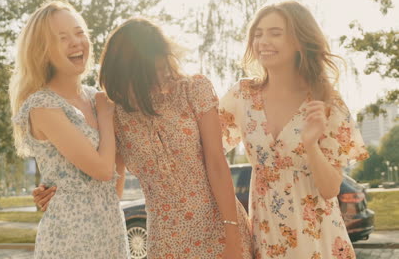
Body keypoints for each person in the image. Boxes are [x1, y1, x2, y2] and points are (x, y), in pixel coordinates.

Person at [35, 17, 252, 258]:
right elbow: (109, 183)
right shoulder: (114, 114)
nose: (163, 76)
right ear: (128, 72)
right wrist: (57, 191)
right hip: (166, 241)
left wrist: (231, 234)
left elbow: (217, 162)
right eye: (153, 70)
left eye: (164, 65)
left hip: (220, 229)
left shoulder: (193, 89)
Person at [219, 0, 369, 259]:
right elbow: (205, 148)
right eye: (258, 34)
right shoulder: (242, 96)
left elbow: (331, 189)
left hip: (318, 239)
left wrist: (311, 145)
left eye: (275, 33)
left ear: (300, 41)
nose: (263, 41)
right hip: (266, 237)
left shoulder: (326, 101)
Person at [9, 1, 129, 258]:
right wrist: (107, 116)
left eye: (79, 32)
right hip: (69, 239)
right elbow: (101, 170)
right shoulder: (43, 105)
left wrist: (103, 207)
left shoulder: (96, 98)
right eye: (62, 38)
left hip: (110, 232)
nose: (76, 42)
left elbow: (117, 167)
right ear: (42, 51)